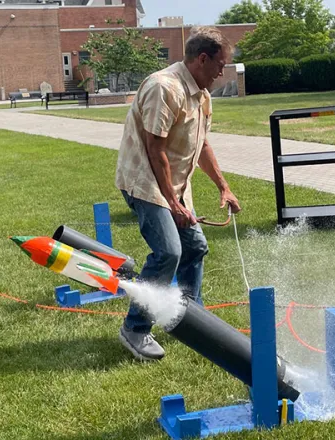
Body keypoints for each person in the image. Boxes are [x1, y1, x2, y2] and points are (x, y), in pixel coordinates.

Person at [114, 27, 241, 361]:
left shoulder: (201, 93)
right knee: (168, 252)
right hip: (145, 183)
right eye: (220, 64)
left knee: (195, 247)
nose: (221, 72)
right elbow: (155, 151)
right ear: (202, 59)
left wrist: (223, 187)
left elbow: (202, 145)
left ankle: (188, 317)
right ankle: (134, 329)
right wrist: (172, 204)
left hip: (174, 186)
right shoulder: (163, 88)